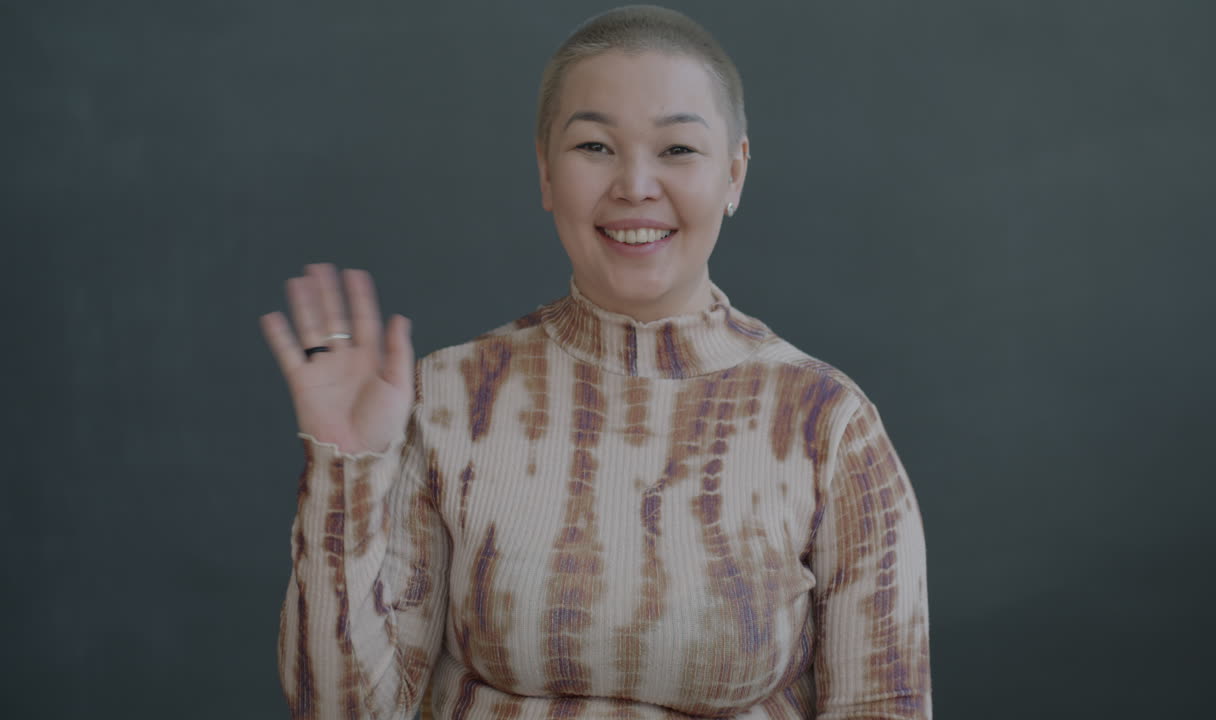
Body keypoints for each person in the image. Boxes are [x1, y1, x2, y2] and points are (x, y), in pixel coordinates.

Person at [261, 5, 931, 719]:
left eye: (677, 149)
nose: (635, 186)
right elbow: (344, 712)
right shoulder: (446, 400)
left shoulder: (825, 423)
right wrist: (346, 472)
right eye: (594, 147)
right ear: (546, 172)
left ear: (734, 174)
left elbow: (883, 705)